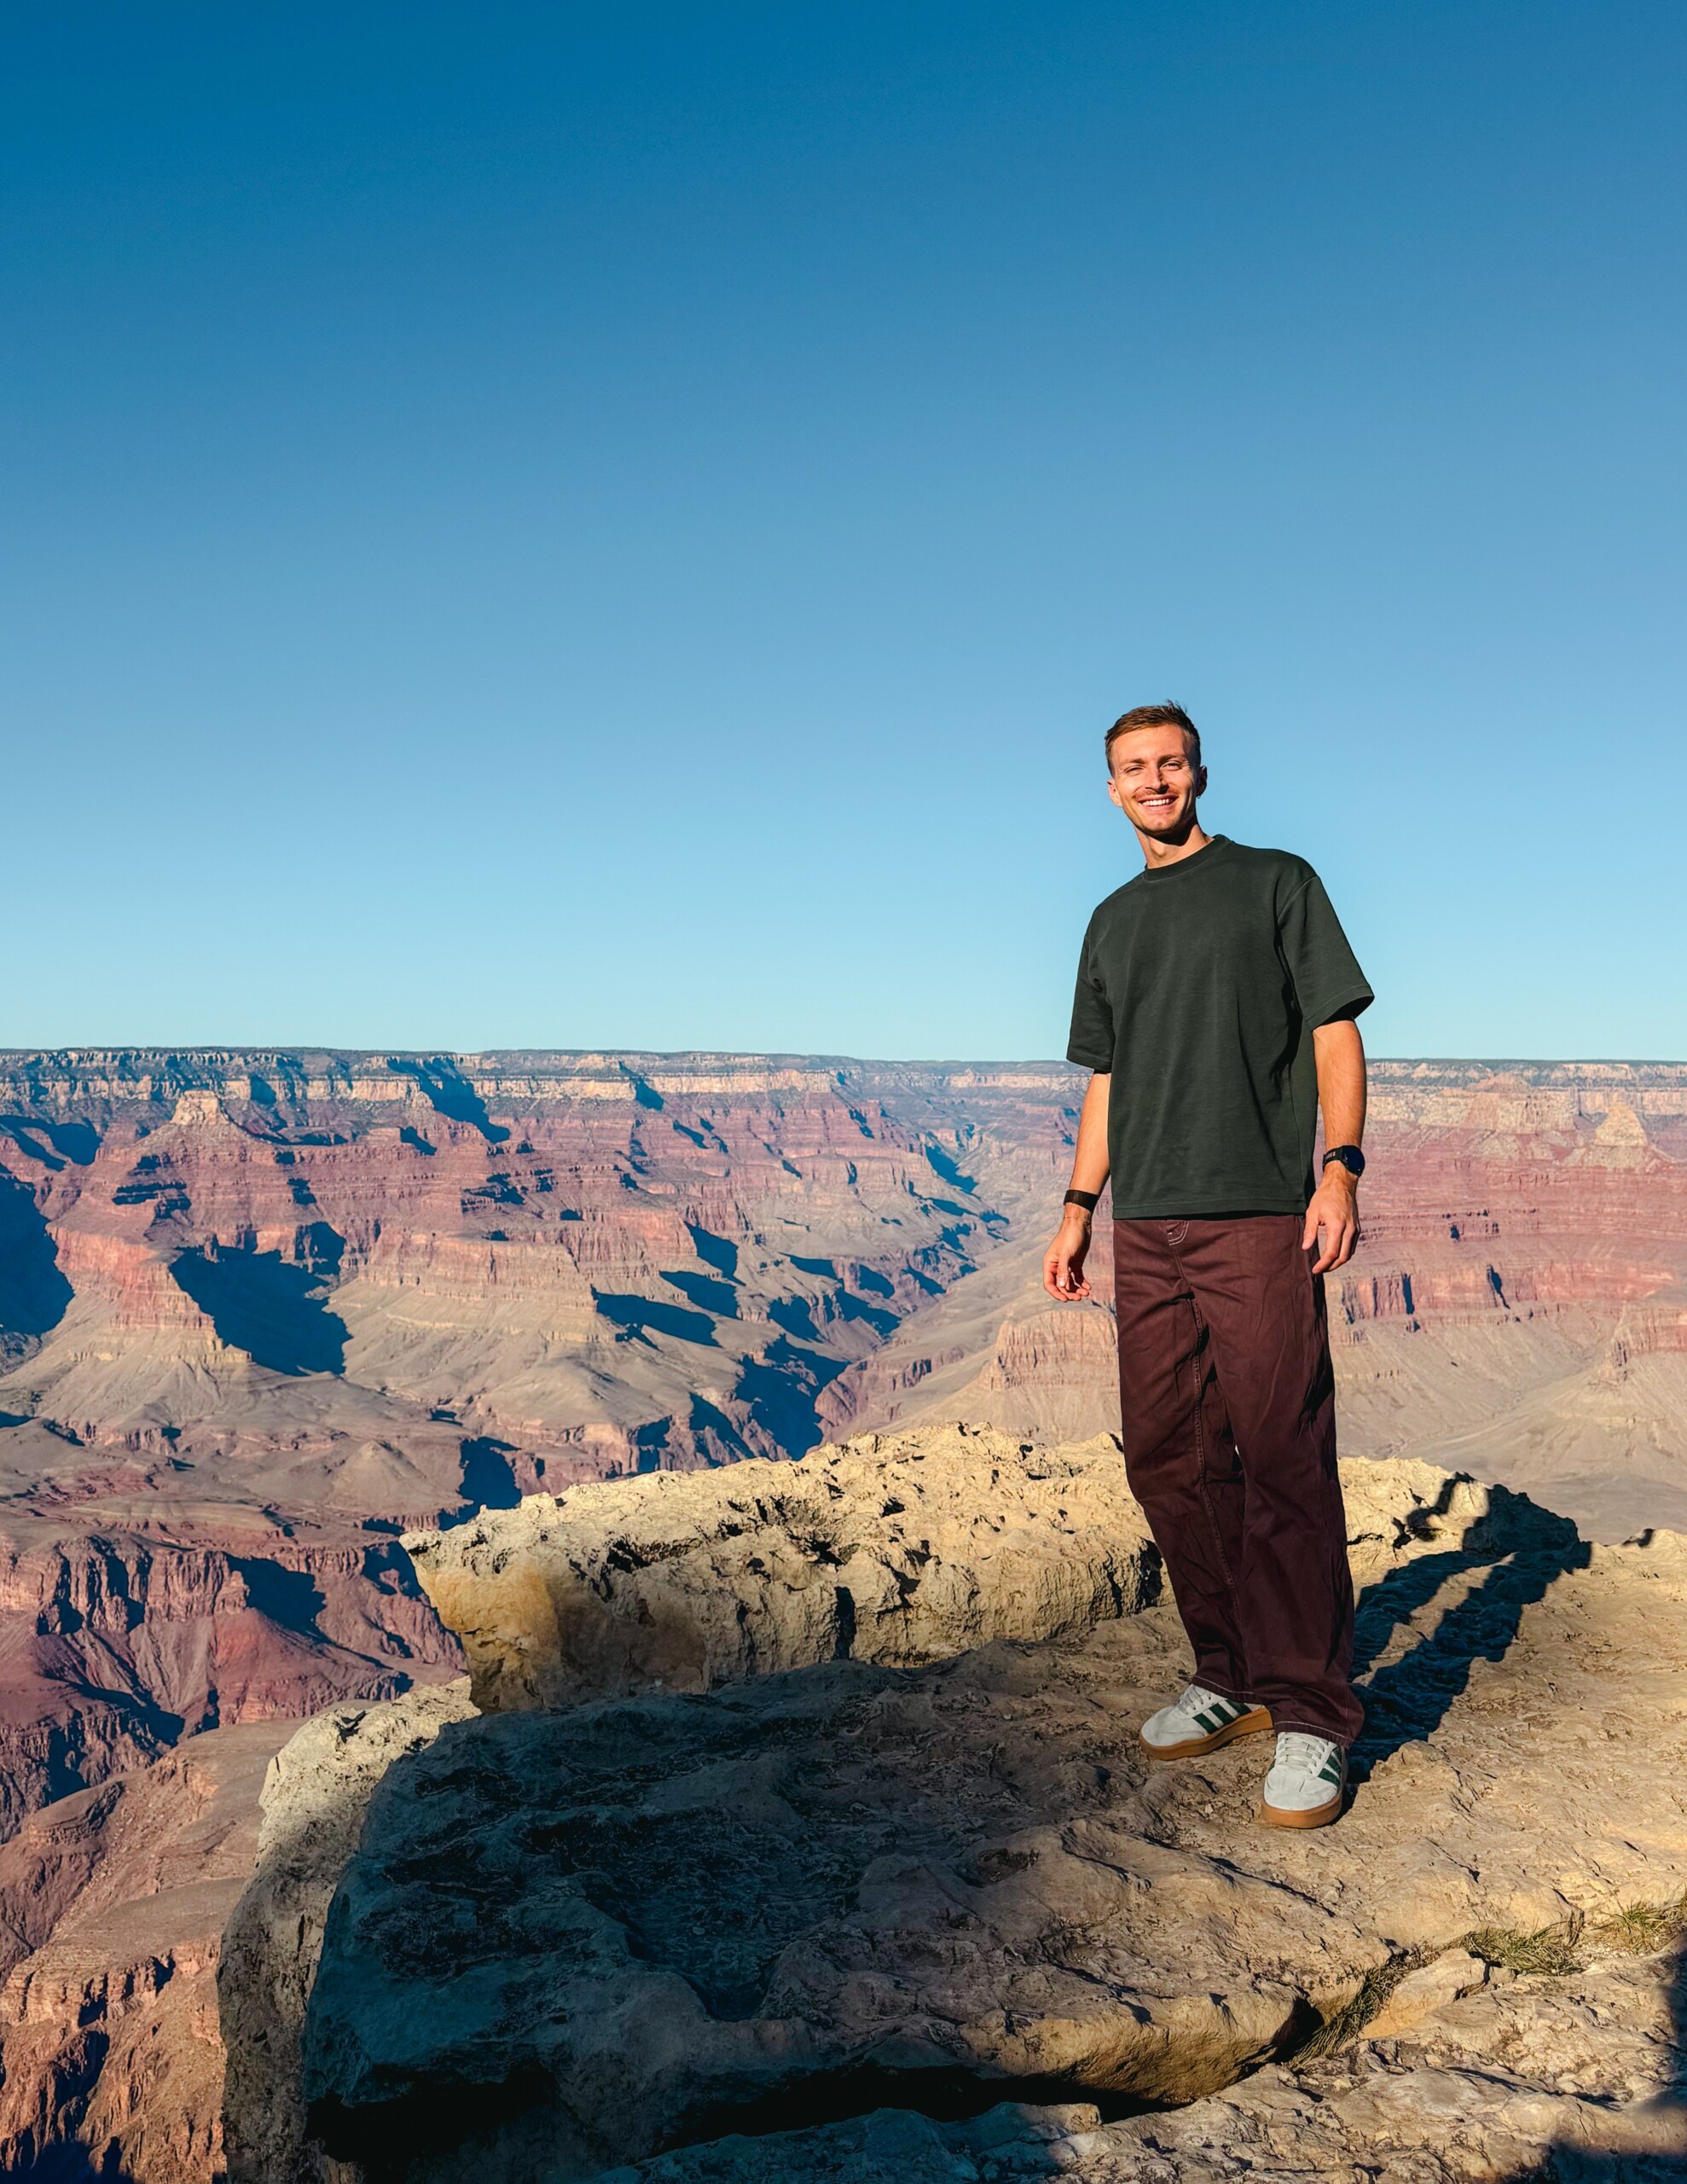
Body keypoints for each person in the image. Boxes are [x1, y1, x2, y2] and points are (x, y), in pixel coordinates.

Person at [1044, 701, 1371, 1829]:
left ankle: (1313, 1716)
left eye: (1169, 763)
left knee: (1281, 1456)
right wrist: (1078, 1206)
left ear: (1196, 772)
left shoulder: (1276, 882)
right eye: (1132, 768)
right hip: (1149, 1223)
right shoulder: (1110, 921)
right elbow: (1108, 1080)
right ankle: (1226, 1671)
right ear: (1110, 788)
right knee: (1169, 1461)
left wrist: (1338, 1169)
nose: (1153, 781)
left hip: (1258, 1216)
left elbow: (1335, 1028)